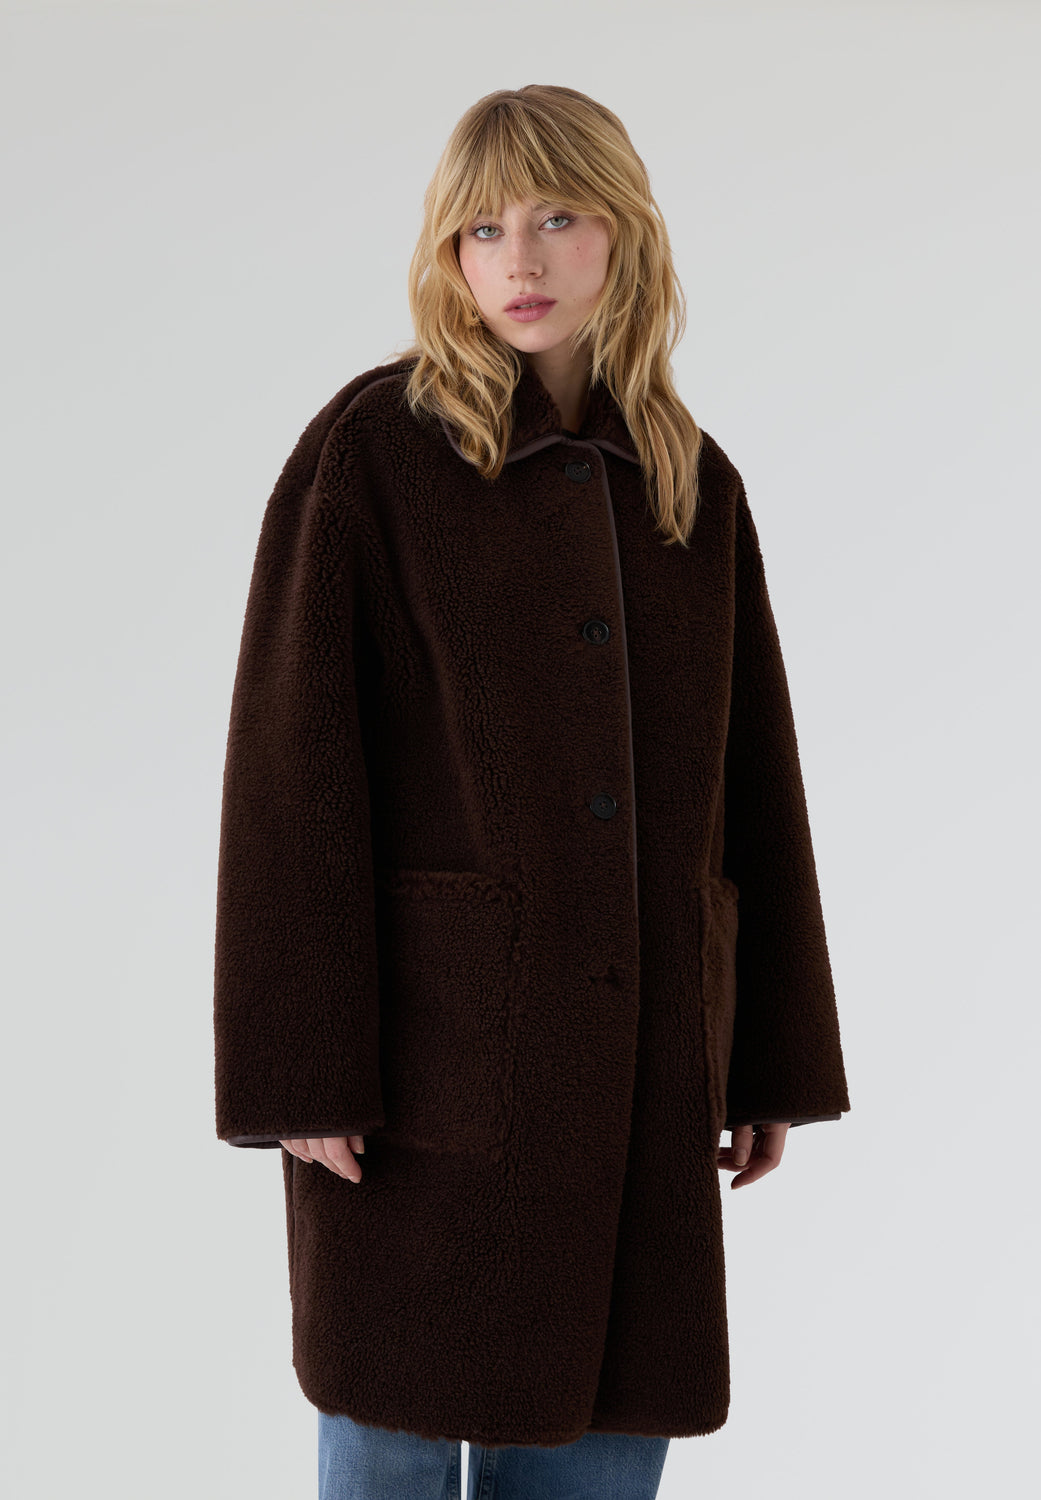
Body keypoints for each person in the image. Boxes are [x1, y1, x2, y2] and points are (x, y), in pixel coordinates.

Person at [213, 84, 851, 1500]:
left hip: (641, 1068)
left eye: (558, 217)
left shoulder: (690, 484)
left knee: (604, 1437)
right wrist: (298, 1067)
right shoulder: (375, 451)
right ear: (446, 253)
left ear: (624, 233)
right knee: (389, 1433)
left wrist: (769, 1058)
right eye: (482, 229)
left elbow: (756, 781)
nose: (521, 260)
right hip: (422, 1074)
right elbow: (289, 774)